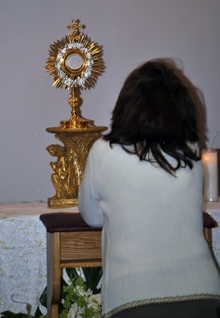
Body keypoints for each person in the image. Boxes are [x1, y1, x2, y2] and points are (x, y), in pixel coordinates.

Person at [78, 59, 220, 318]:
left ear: (127, 106)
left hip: (133, 298)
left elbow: (92, 216)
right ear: (180, 108)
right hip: (206, 294)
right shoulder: (190, 153)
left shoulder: (103, 152)